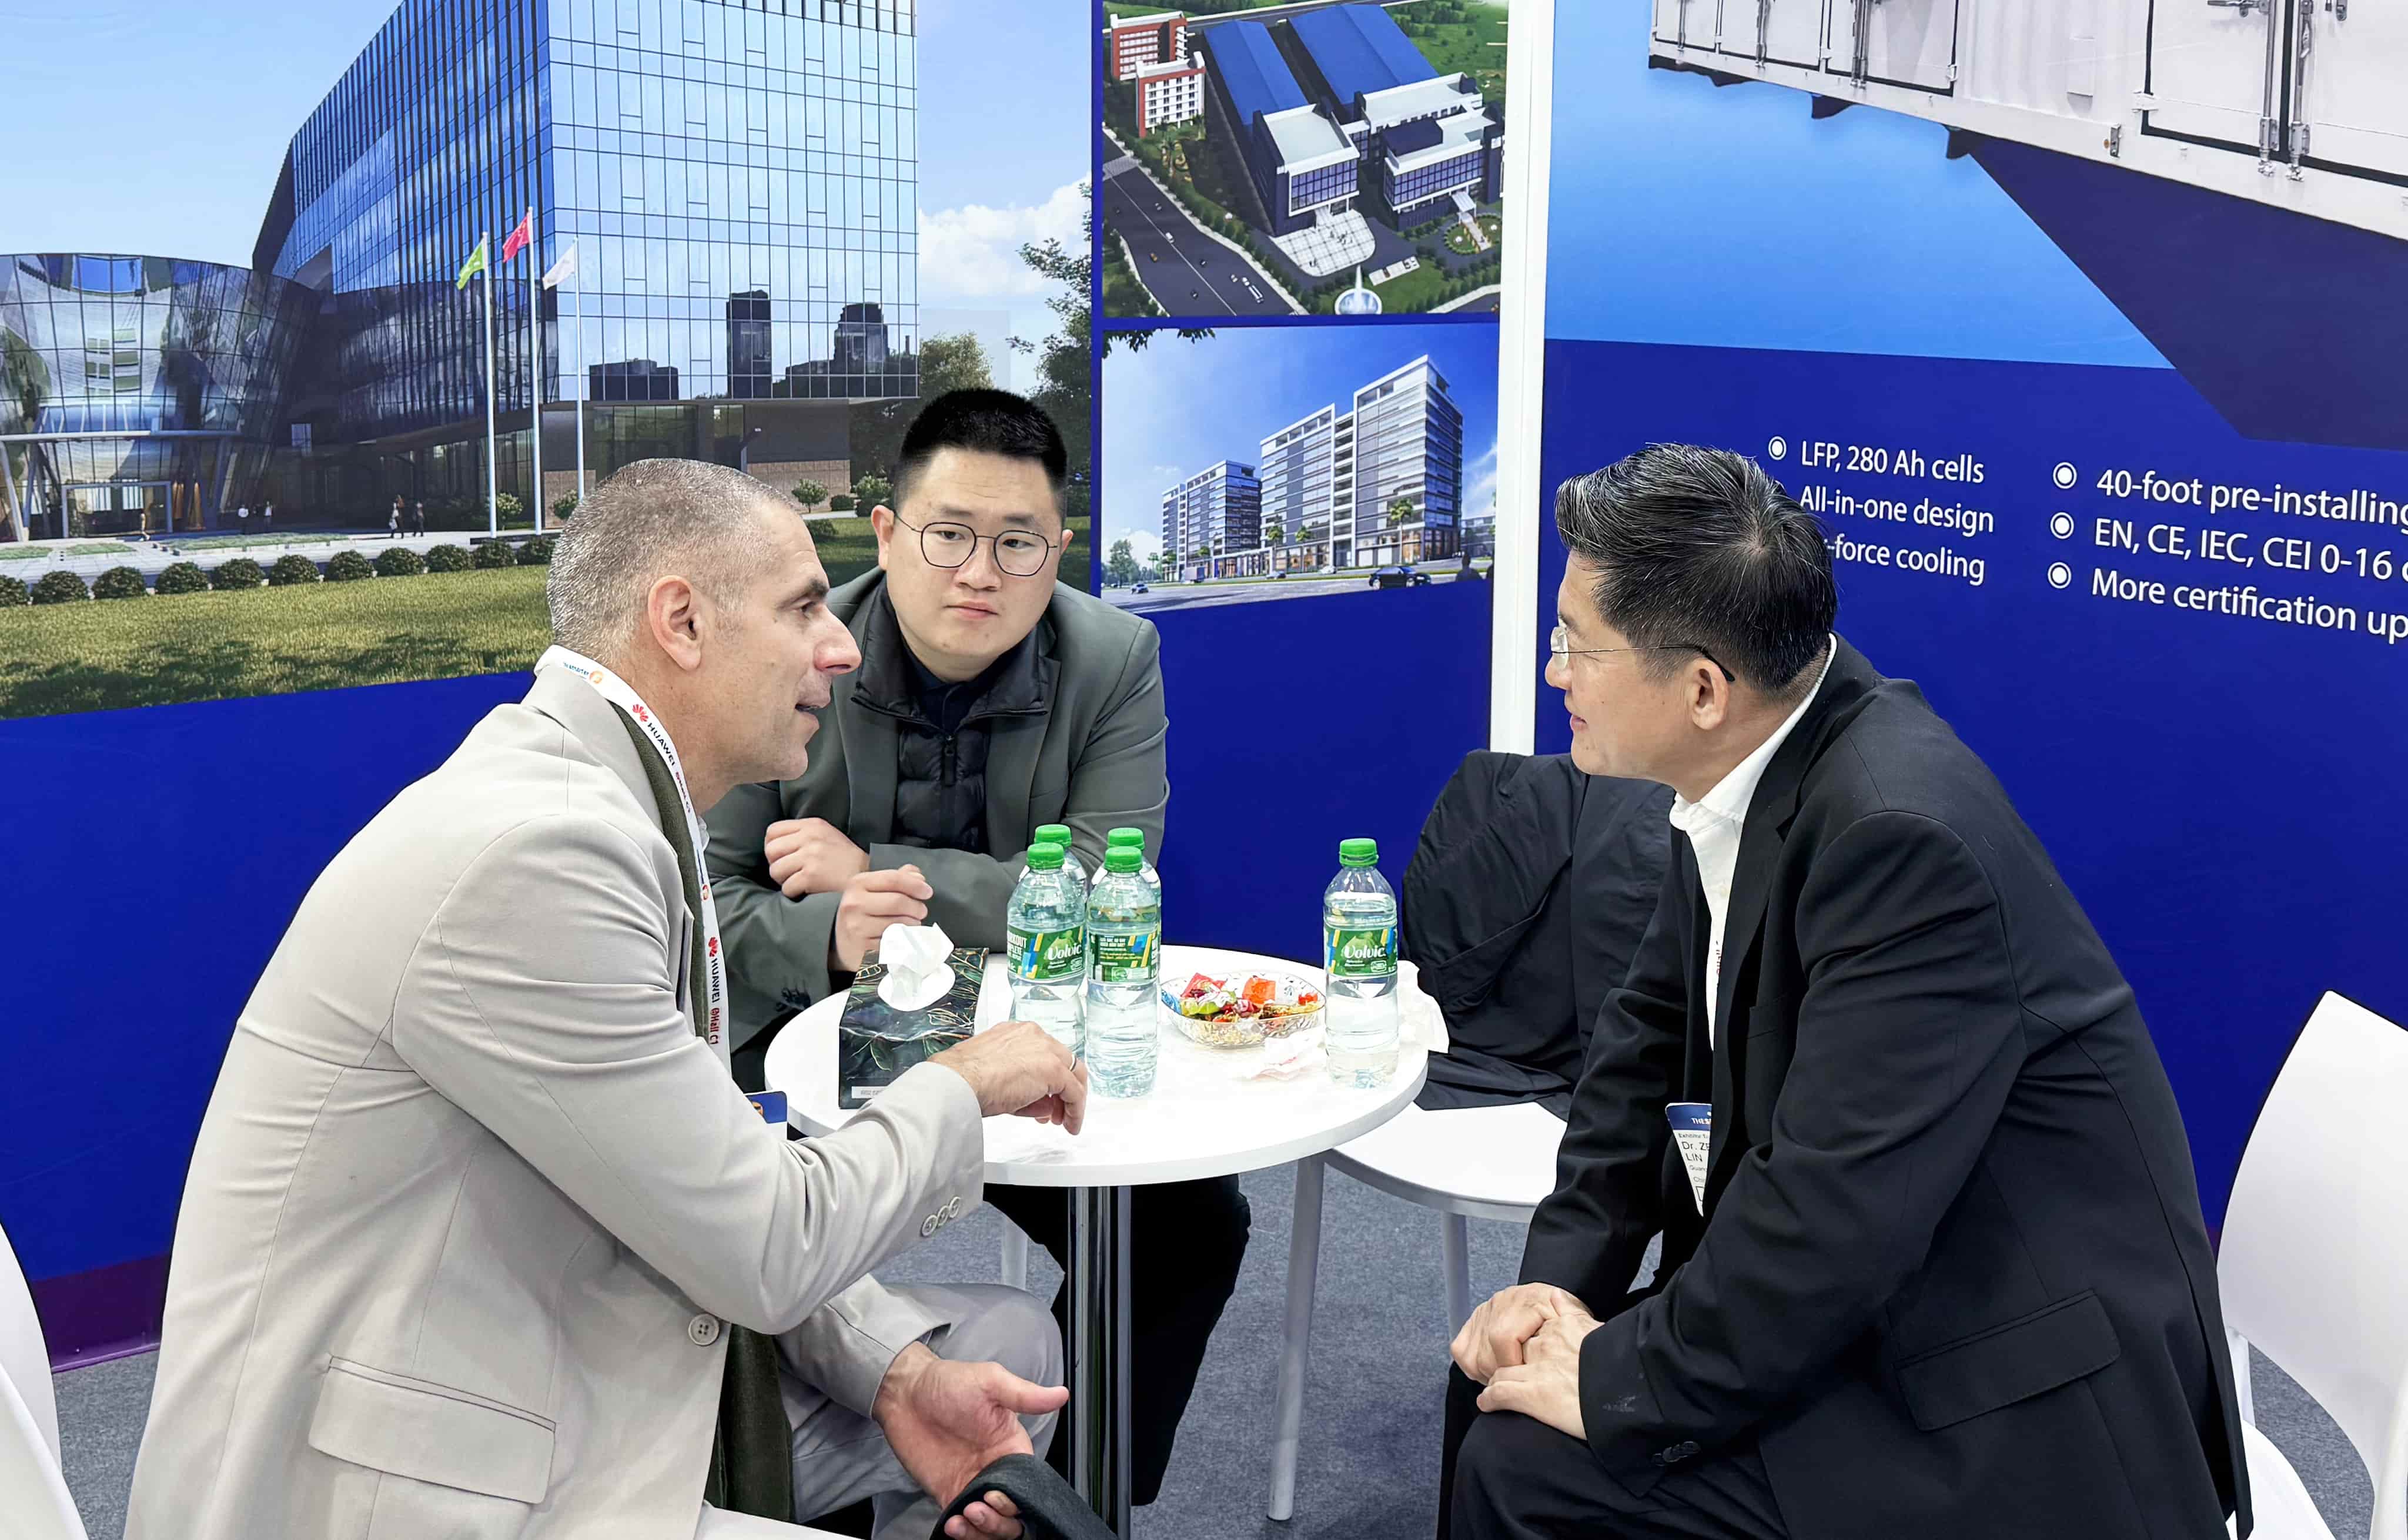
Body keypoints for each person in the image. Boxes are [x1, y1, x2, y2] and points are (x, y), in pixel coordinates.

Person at [126, 458, 1091, 1540]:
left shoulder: (602, 806)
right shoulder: (542, 855)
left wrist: (898, 1376)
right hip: (396, 1491)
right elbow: (766, 1248)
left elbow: (709, 1172)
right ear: (681, 622)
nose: (843, 646)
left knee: (1003, 1350)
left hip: (553, 1358)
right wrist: (961, 1083)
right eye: (803, 607)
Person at [1442, 445, 2247, 1539]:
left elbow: (1832, 1217)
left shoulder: (1901, 842)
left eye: (1576, 646)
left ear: (1703, 690)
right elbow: (1641, 1054)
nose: (1556, 675)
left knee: (1525, 1467)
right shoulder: (1744, 760)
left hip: (1997, 1385)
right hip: (1875, 1288)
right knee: (1496, 1387)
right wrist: (1555, 1293)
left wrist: (1620, 1382)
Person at [708, 389, 1250, 1508]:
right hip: (806, 1038)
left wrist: (869, 870)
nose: (980, 574)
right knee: (775, 1247)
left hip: (1026, 1043)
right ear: (886, 533)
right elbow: (708, 902)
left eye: (1018, 543)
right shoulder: (794, 650)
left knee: (1192, 1227)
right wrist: (830, 933)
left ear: (1059, 548)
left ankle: (1063, 1499)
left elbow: (1102, 882)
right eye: (948, 535)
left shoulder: (1113, 658)